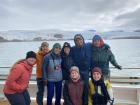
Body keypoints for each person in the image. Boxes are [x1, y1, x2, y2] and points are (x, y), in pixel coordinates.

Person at [71, 34, 91, 105]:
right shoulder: (73, 49)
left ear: (83, 40)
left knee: (85, 89)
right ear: (75, 42)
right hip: (77, 72)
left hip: (85, 72)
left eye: (80, 39)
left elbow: (98, 43)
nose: (78, 41)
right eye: (76, 40)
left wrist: (106, 46)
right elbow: (64, 51)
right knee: (78, 89)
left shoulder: (88, 46)